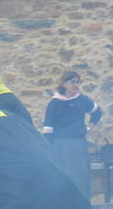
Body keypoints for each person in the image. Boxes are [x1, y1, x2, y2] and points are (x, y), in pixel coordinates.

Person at [42, 70, 102, 200]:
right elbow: (48, 127)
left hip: (78, 144)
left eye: (78, 82)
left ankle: (84, 205)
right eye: (72, 82)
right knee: (65, 176)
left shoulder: (82, 100)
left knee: (81, 176)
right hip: (60, 145)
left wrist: (88, 127)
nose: (76, 85)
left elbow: (97, 112)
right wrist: (49, 149)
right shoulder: (55, 103)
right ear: (64, 84)